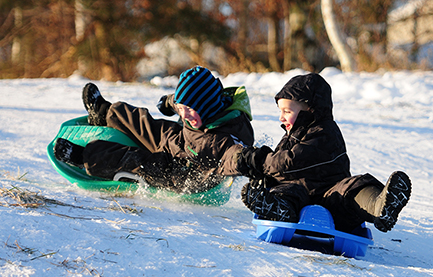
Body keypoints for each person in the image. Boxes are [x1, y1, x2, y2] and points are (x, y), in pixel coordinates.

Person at [218, 73, 411, 233]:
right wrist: (258, 174)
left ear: (309, 108)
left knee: (352, 188)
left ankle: (380, 206)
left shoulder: (324, 132)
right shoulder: (291, 136)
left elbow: (290, 163)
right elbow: (276, 171)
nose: (281, 117)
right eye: (280, 111)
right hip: (299, 195)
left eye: (287, 111)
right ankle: (278, 209)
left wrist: (259, 160)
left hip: (330, 195)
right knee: (287, 191)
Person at [54, 66, 254, 193]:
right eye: (182, 109)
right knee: (150, 126)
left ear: (207, 108)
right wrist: (169, 103)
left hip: (188, 174)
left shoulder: (225, 139)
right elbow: (183, 102)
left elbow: (232, 155)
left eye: (189, 110)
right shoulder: (205, 107)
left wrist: (244, 159)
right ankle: (105, 113)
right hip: (184, 142)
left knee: (140, 161)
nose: (185, 115)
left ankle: (85, 157)